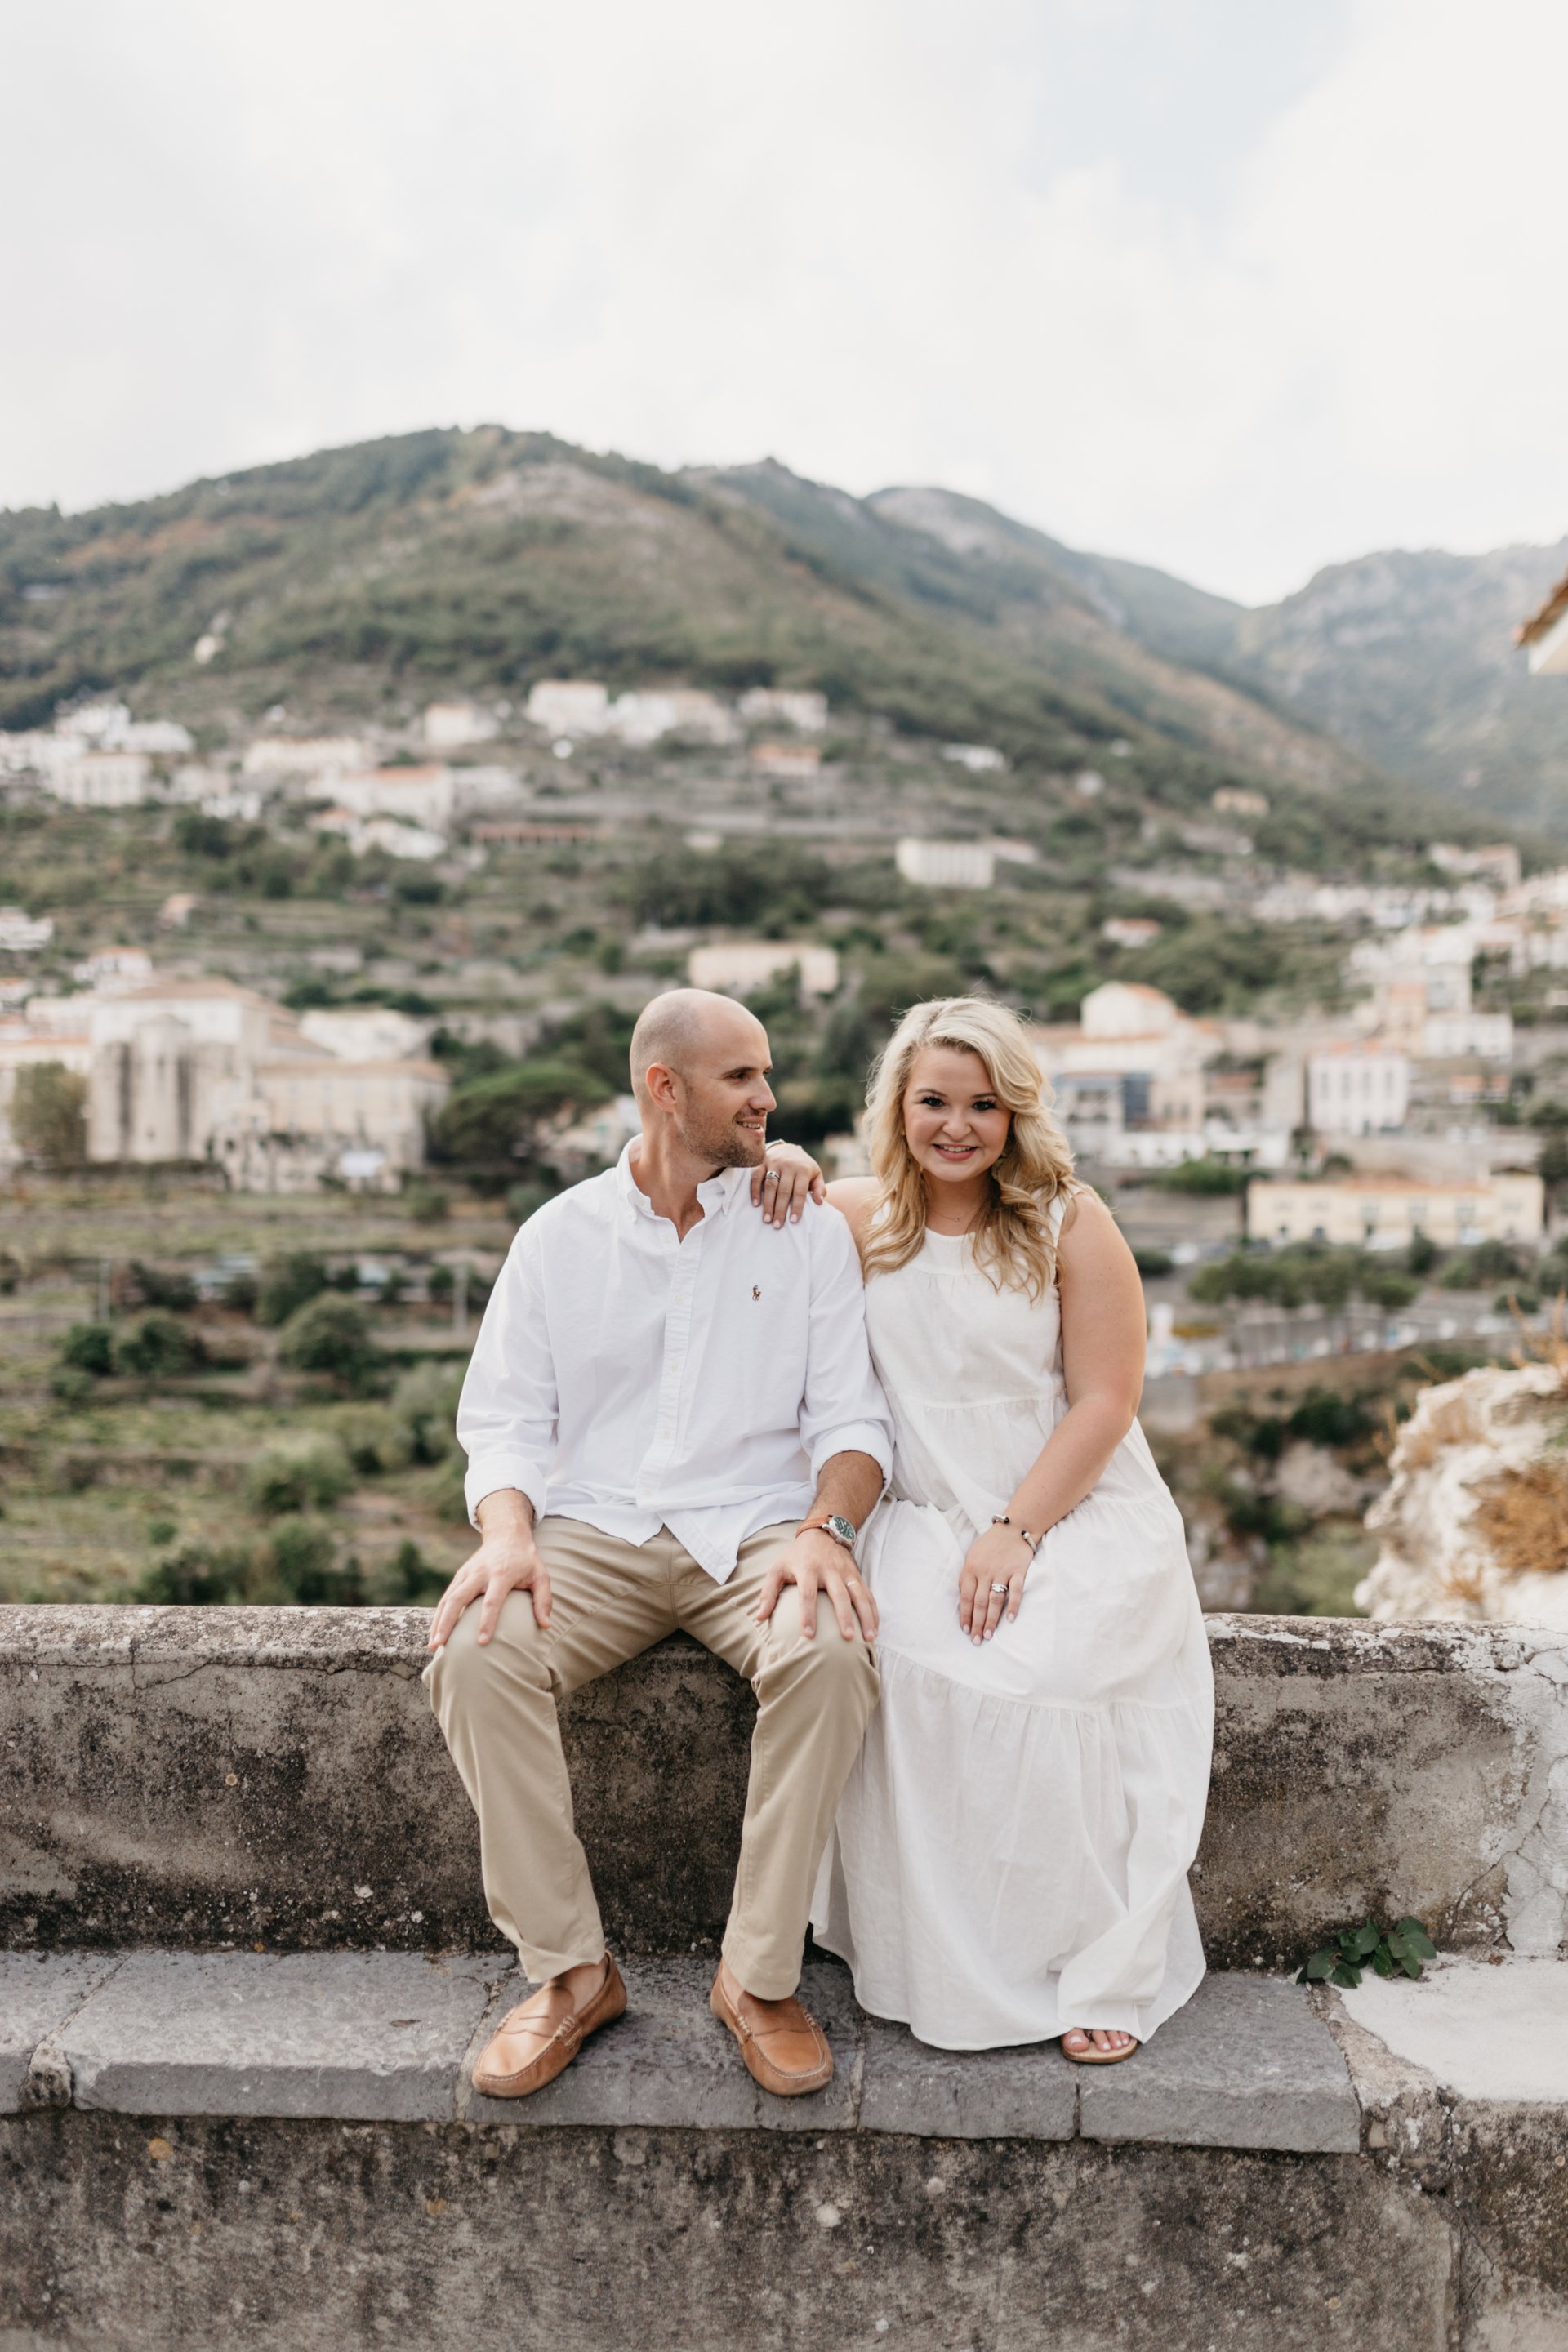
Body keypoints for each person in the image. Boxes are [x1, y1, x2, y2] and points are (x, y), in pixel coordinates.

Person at [425, 988, 893, 2101]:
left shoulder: (806, 1224)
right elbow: (502, 1422)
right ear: (664, 1088)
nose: (768, 1098)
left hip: (759, 1530)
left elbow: (853, 1424)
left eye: (768, 1074)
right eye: (742, 1077)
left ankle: (759, 1978)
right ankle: (570, 1973)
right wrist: (505, 1533)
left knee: (831, 1655)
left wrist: (829, 1528)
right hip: (597, 1528)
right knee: (475, 1654)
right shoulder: (557, 1238)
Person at [766, 996, 1213, 2062]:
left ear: (1016, 1112)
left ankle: (1094, 1964)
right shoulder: (855, 1215)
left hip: (1067, 1503)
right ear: (899, 1106)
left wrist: (1018, 1529)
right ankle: (939, 1964)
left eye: (983, 1103)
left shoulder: (1070, 1220)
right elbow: (742, 1199)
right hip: (923, 1510)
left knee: (1051, 1671)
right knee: (920, 1661)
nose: (956, 1124)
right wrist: (779, 1153)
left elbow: (1106, 1400)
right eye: (933, 1101)